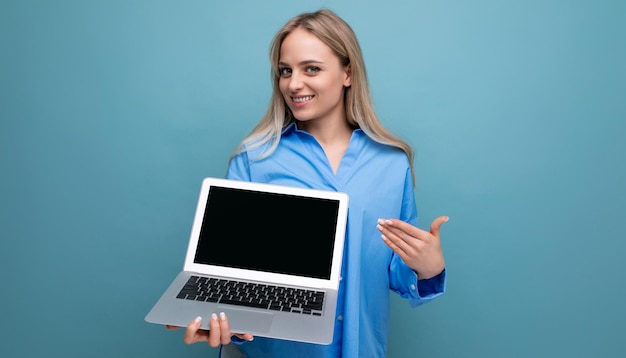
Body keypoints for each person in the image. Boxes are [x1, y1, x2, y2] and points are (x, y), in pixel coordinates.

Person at [167, 8, 448, 357]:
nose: (293, 84)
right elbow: (232, 281)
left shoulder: (392, 163)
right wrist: (227, 325)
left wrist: (429, 268)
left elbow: (392, 270)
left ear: (347, 72)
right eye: (286, 71)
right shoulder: (254, 160)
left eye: (311, 68)